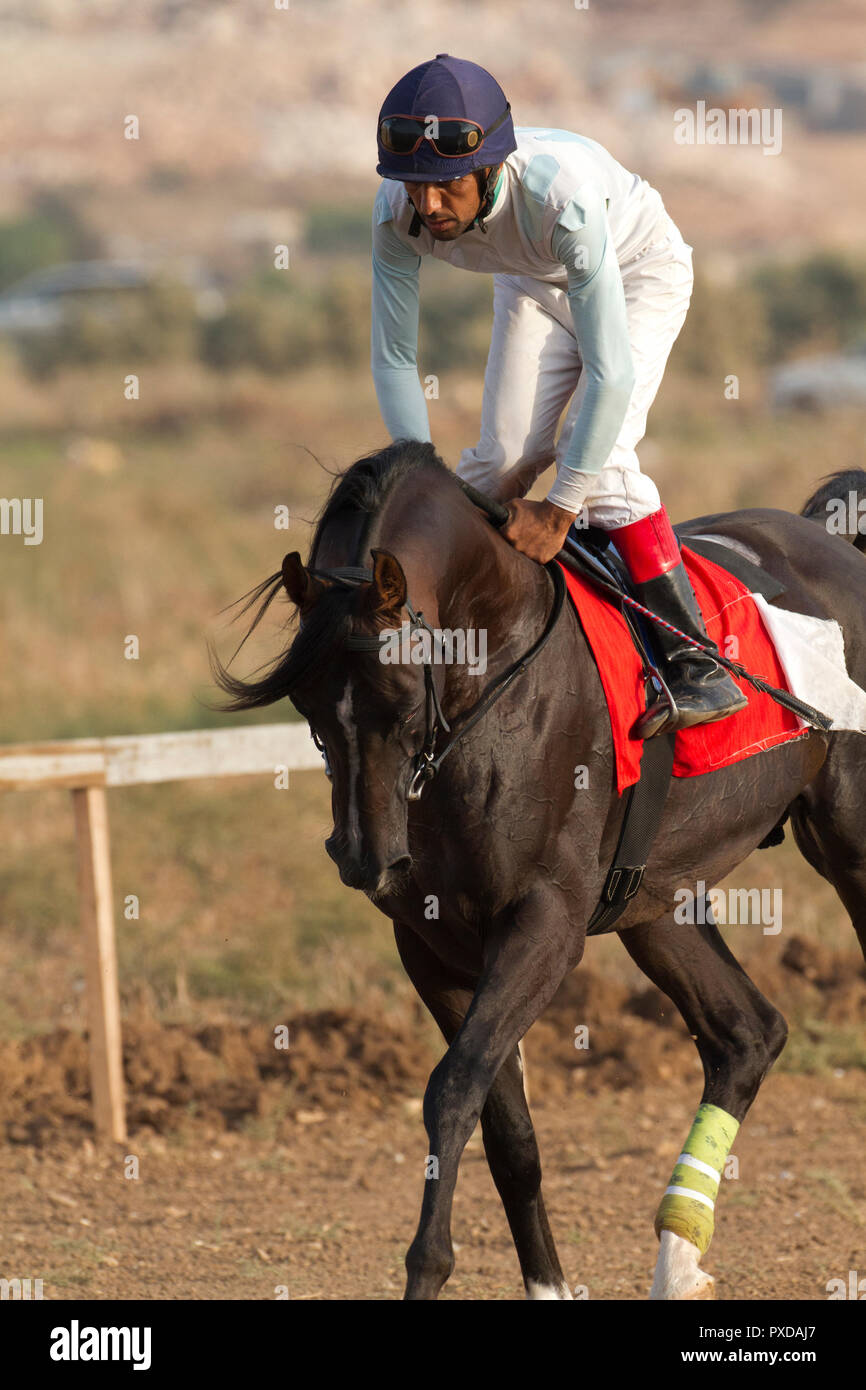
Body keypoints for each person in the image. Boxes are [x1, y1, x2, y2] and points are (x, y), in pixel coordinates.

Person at [371, 54, 747, 736]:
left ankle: (699, 667)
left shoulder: (558, 194)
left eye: (447, 185)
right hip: (534, 283)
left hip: (636, 273)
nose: (427, 206)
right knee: (490, 469)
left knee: (595, 464)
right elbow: (396, 358)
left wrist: (560, 509)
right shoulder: (397, 209)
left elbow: (611, 372)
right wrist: (416, 467)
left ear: (489, 168)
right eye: (413, 185)